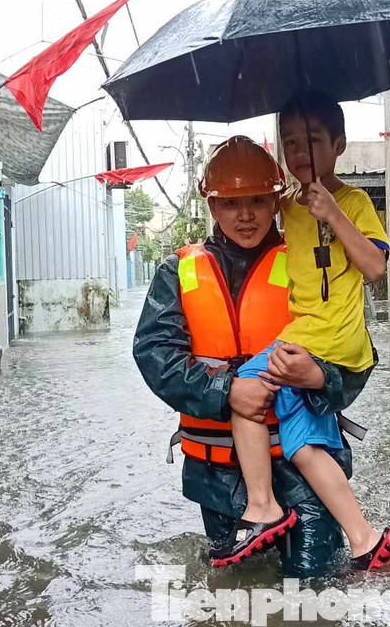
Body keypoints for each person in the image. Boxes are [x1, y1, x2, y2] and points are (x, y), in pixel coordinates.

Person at [132, 136, 373, 577]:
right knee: (234, 591)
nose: (246, 215)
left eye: (259, 200)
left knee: (314, 588)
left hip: (305, 471)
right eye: (231, 203)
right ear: (212, 206)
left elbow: (357, 352)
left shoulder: (312, 261)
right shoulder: (178, 271)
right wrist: (227, 391)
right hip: (217, 478)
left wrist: (321, 377)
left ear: (277, 202)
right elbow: (154, 354)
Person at [214, 93, 390, 572]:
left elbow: (375, 268)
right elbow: (253, 211)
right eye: (290, 142)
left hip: (327, 340)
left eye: (312, 141)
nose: (299, 152)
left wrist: (334, 215)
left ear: (339, 144)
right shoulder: (288, 206)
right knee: (303, 447)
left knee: (246, 389)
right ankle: (365, 539)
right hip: (309, 338)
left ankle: (262, 507)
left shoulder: (354, 202)